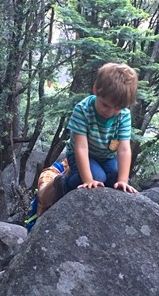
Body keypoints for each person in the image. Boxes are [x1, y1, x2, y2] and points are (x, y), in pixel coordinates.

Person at [53, 62, 139, 197]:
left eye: (117, 108)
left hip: (107, 157)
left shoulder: (124, 115)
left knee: (116, 176)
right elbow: (81, 148)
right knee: (98, 178)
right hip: (82, 155)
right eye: (105, 105)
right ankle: (64, 183)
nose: (110, 112)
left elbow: (124, 149)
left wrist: (122, 180)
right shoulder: (83, 110)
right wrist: (88, 180)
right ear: (95, 90)